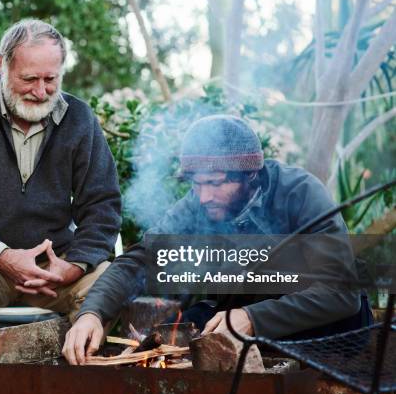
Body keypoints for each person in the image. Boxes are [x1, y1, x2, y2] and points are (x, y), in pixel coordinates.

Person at [63, 114, 373, 365]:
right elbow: (139, 261)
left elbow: (339, 294)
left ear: (249, 175)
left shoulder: (301, 194)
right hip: (243, 313)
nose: (204, 196)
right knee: (178, 331)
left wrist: (253, 318)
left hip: (325, 329)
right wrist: (92, 314)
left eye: (214, 183)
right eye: (196, 184)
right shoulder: (198, 203)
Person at [0, 19, 121, 357]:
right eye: (29, 79)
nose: (41, 91)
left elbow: (102, 205)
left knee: (109, 278)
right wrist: (3, 255)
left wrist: (74, 265)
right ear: (1, 64)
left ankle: (75, 384)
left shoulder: (79, 119)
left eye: (51, 80)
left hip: (54, 271)